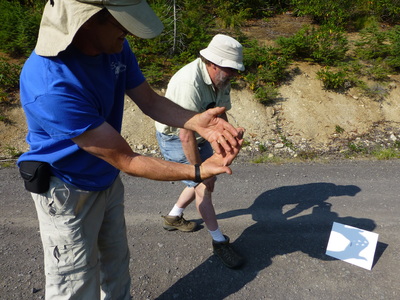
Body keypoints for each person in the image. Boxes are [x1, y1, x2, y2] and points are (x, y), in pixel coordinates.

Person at [17, 0, 244, 299]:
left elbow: (149, 100)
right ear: (87, 21)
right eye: (121, 23)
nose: (130, 32)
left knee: (116, 265)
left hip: (107, 179)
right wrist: (199, 171)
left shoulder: (114, 46)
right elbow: (127, 158)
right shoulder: (49, 83)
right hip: (67, 189)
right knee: (74, 282)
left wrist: (196, 121)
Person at [155, 34, 245, 269]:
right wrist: (199, 171)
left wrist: (227, 136)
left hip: (201, 134)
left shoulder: (222, 78)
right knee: (203, 184)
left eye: (236, 69)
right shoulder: (189, 83)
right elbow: (185, 134)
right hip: (176, 137)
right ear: (213, 63)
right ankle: (218, 242)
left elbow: (220, 111)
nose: (234, 74)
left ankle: (173, 217)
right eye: (231, 69)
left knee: (204, 181)